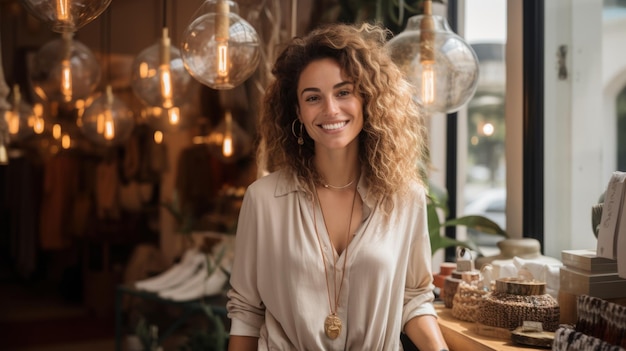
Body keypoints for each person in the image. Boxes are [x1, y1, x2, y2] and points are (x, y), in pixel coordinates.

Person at [226, 22, 449, 350]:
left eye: (343, 92)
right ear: (298, 112)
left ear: (366, 100)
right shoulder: (263, 199)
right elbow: (246, 311)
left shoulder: (406, 198)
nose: (330, 109)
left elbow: (414, 297)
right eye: (313, 97)